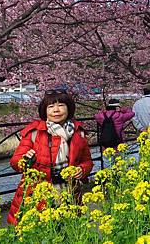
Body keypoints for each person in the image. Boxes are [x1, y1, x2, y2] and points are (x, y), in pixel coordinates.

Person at [7, 89, 93, 225]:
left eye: (61, 105)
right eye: (51, 106)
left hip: (69, 193)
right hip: (37, 195)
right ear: (45, 111)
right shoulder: (34, 132)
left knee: (69, 231)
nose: (56, 110)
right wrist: (25, 160)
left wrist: (82, 170)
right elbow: (15, 162)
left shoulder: (78, 133)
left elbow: (87, 161)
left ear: (69, 108)